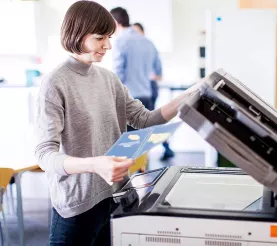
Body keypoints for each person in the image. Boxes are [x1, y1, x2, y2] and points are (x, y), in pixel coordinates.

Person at [34, 1, 200, 245]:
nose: (109, 46)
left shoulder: (108, 79)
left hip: (113, 197)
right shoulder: (54, 84)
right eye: (101, 37)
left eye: (109, 37)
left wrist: (188, 95)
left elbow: (145, 119)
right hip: (77, 206)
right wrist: (95, 165)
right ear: (77, 33)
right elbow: (45, 155)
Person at [132, 22, 175, 161]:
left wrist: (146, 76)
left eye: (136, 32)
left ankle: (144, 157)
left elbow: (159, 74)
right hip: (144, 89)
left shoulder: (149, 47)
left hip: (148, 88)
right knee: (149, 123)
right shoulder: (141, 48)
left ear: (143, 33)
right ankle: (164, 148)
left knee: (148, 122)